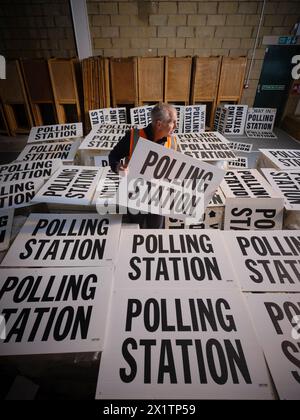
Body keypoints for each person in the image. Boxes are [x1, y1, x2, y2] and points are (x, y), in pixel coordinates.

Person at [109, 102, 178, 228]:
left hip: (159, 199)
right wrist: (118, 167)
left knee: (155, 234)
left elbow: (179, 170)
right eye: (173, 122)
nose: (176, 126)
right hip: (135, 196)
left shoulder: (172, 142)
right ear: (159, 124)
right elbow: (113, 156)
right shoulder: (132, 137)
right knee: (135, 231)